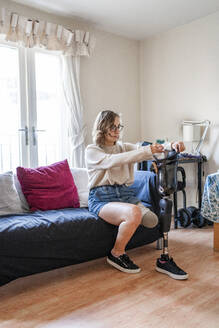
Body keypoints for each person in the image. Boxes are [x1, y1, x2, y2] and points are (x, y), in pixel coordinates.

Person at [85, 110, 188, 280]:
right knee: (134, 213)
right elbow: (114, 160)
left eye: (119, 126)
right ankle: (116, 254)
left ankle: (163, 260)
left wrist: (172, 145)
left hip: (124, 195)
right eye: (113, 126)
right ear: (102, 127)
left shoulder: (123, 146)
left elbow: (150, 149)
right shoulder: (92, 150)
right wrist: (145, 151)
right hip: (101, 197)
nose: (117, 130)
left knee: (153, 221)